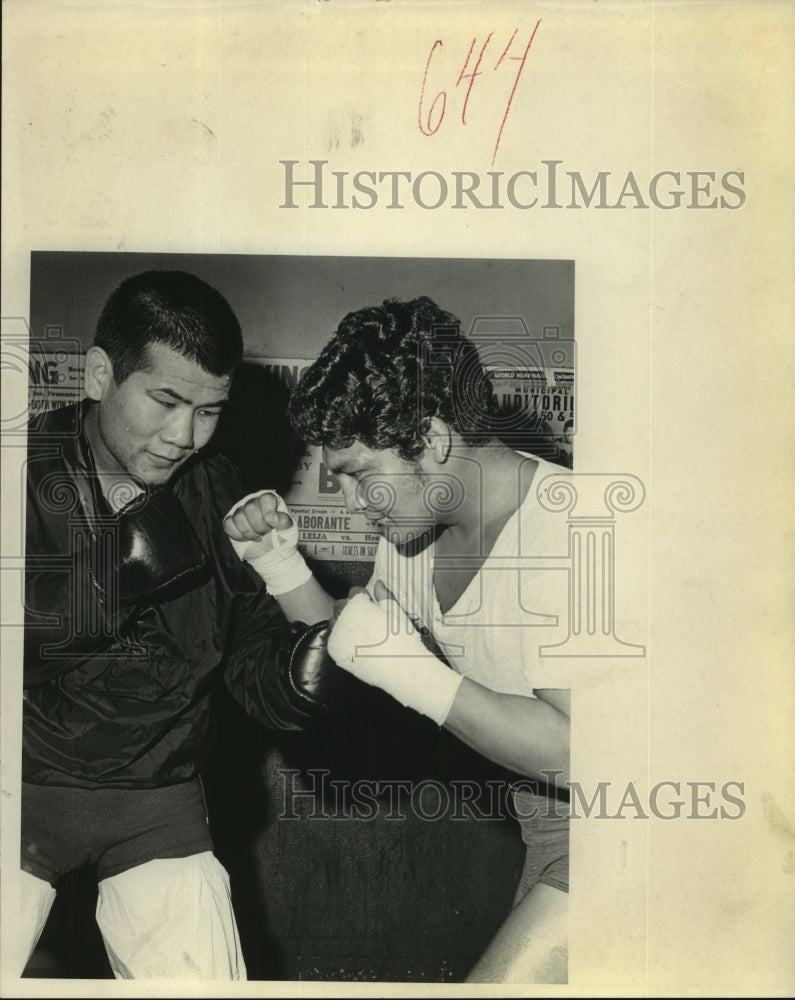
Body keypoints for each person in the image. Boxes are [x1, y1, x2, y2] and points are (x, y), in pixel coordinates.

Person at [223, 296, 571, 984]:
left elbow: (574, 750)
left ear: (434, 440)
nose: (352, 503)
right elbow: (355, 651)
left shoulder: (569, 530)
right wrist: (280, 564)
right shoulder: (413, 542)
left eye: (360, 475)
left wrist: (413, 673)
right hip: (547, 827)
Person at [17, 270, 345, 981]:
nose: (182, 437)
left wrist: (296, 671)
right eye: (165, 400)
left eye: (208, 411)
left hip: (159, 798)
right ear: (101, 374)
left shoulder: (215, 488)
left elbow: (247, 653)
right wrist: (115, 574)